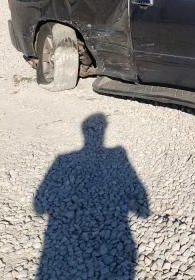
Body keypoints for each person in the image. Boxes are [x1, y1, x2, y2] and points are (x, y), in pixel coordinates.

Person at [34, 114, 149, 279]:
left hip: (63, 242)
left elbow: (39, 206)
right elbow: (141, 206)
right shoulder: (118, 154)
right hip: (118, 230)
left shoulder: (63, 160)